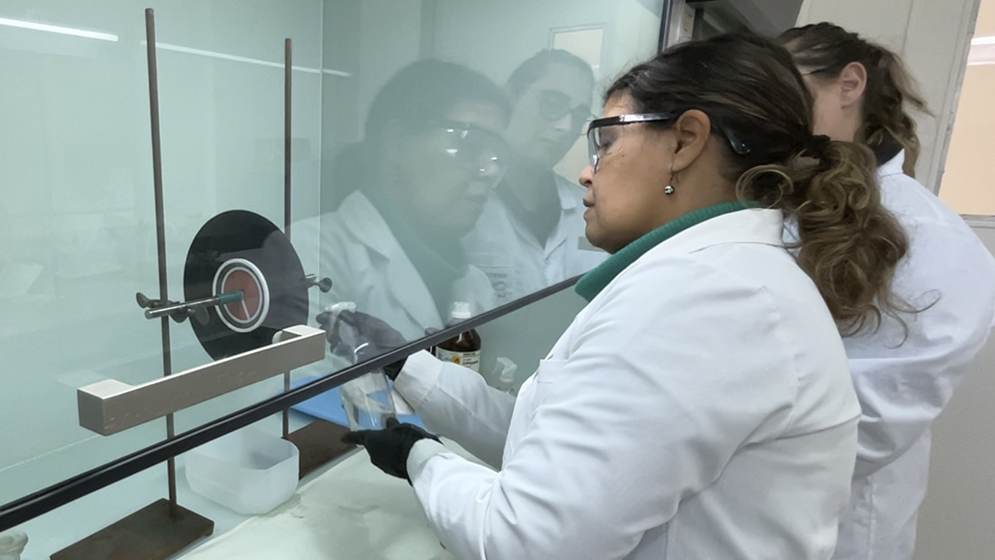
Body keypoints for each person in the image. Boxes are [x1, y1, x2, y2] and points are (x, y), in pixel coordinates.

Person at [342, 33, 910, 559]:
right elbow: (558, 446)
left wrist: (418, 458)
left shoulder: (703, 299)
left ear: (684, 142)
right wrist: (409, 366)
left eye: (607, 143)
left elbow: (528, 542)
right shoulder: (730, 280)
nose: (586, 174)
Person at [778, 23, 995, 560]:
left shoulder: (930, 235)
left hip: (838, 524)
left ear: (849, 85)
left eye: (781, 90)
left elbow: (872, 421)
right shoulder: (779, 203)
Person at [312, 60, 511, 343]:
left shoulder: (475, 285)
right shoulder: (313, 256)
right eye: (469, 143)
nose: (490, 170)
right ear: (396, 144)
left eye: (497, 155)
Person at [462, 50, 607, 305]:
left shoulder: (589, 210)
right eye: (552, 104)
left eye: (578, 116)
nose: (565, 127)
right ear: (510, 97)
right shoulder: (462, 201)